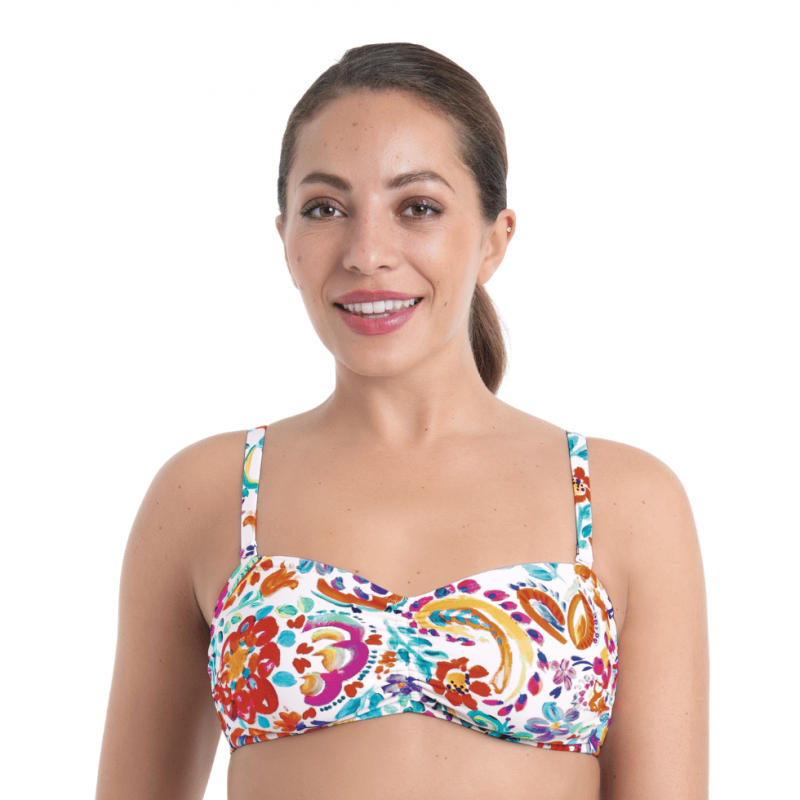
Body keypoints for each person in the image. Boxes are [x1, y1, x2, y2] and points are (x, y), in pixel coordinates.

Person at [95, 43, 709, 800]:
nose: (366, 253)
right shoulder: (207, 492)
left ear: (494, 239)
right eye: (325, 209)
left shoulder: (626, 499)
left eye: (417, 207)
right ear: (284, 239)